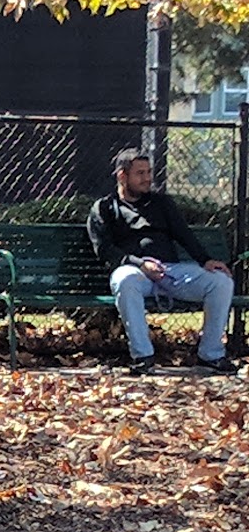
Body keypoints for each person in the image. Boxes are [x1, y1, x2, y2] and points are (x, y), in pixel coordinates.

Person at [86, 148, 237, 375]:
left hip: (171, 271)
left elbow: (183, 234)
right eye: (140, 173)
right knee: (125, 280)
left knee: (221, 282)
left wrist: (205, 260)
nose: (147, 178)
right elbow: (105, 250)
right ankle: (143, 357)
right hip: (134, 271)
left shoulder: (161, 203)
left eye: (148, 172)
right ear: (122, 176)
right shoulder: (105, 208)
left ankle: (211, 356)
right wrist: (140, 264)